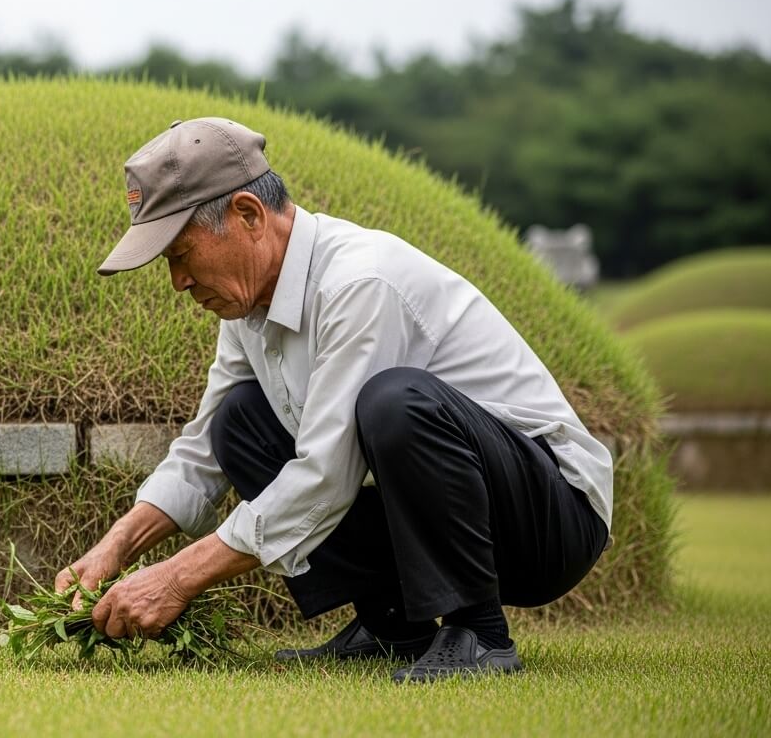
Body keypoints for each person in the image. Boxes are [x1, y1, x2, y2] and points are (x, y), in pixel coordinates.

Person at [61, 117, 612, 683]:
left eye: (182, 253)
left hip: (551, 518)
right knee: (238, 423)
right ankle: (395, 625)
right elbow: (202, 451)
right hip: (464, 509)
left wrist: (175, 579)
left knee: (395, 402)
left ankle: (479, 632)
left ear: (248, 215)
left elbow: (326, 475)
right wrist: (114, 548)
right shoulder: (247, 306)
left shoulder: (358, 283)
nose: (177, 281)